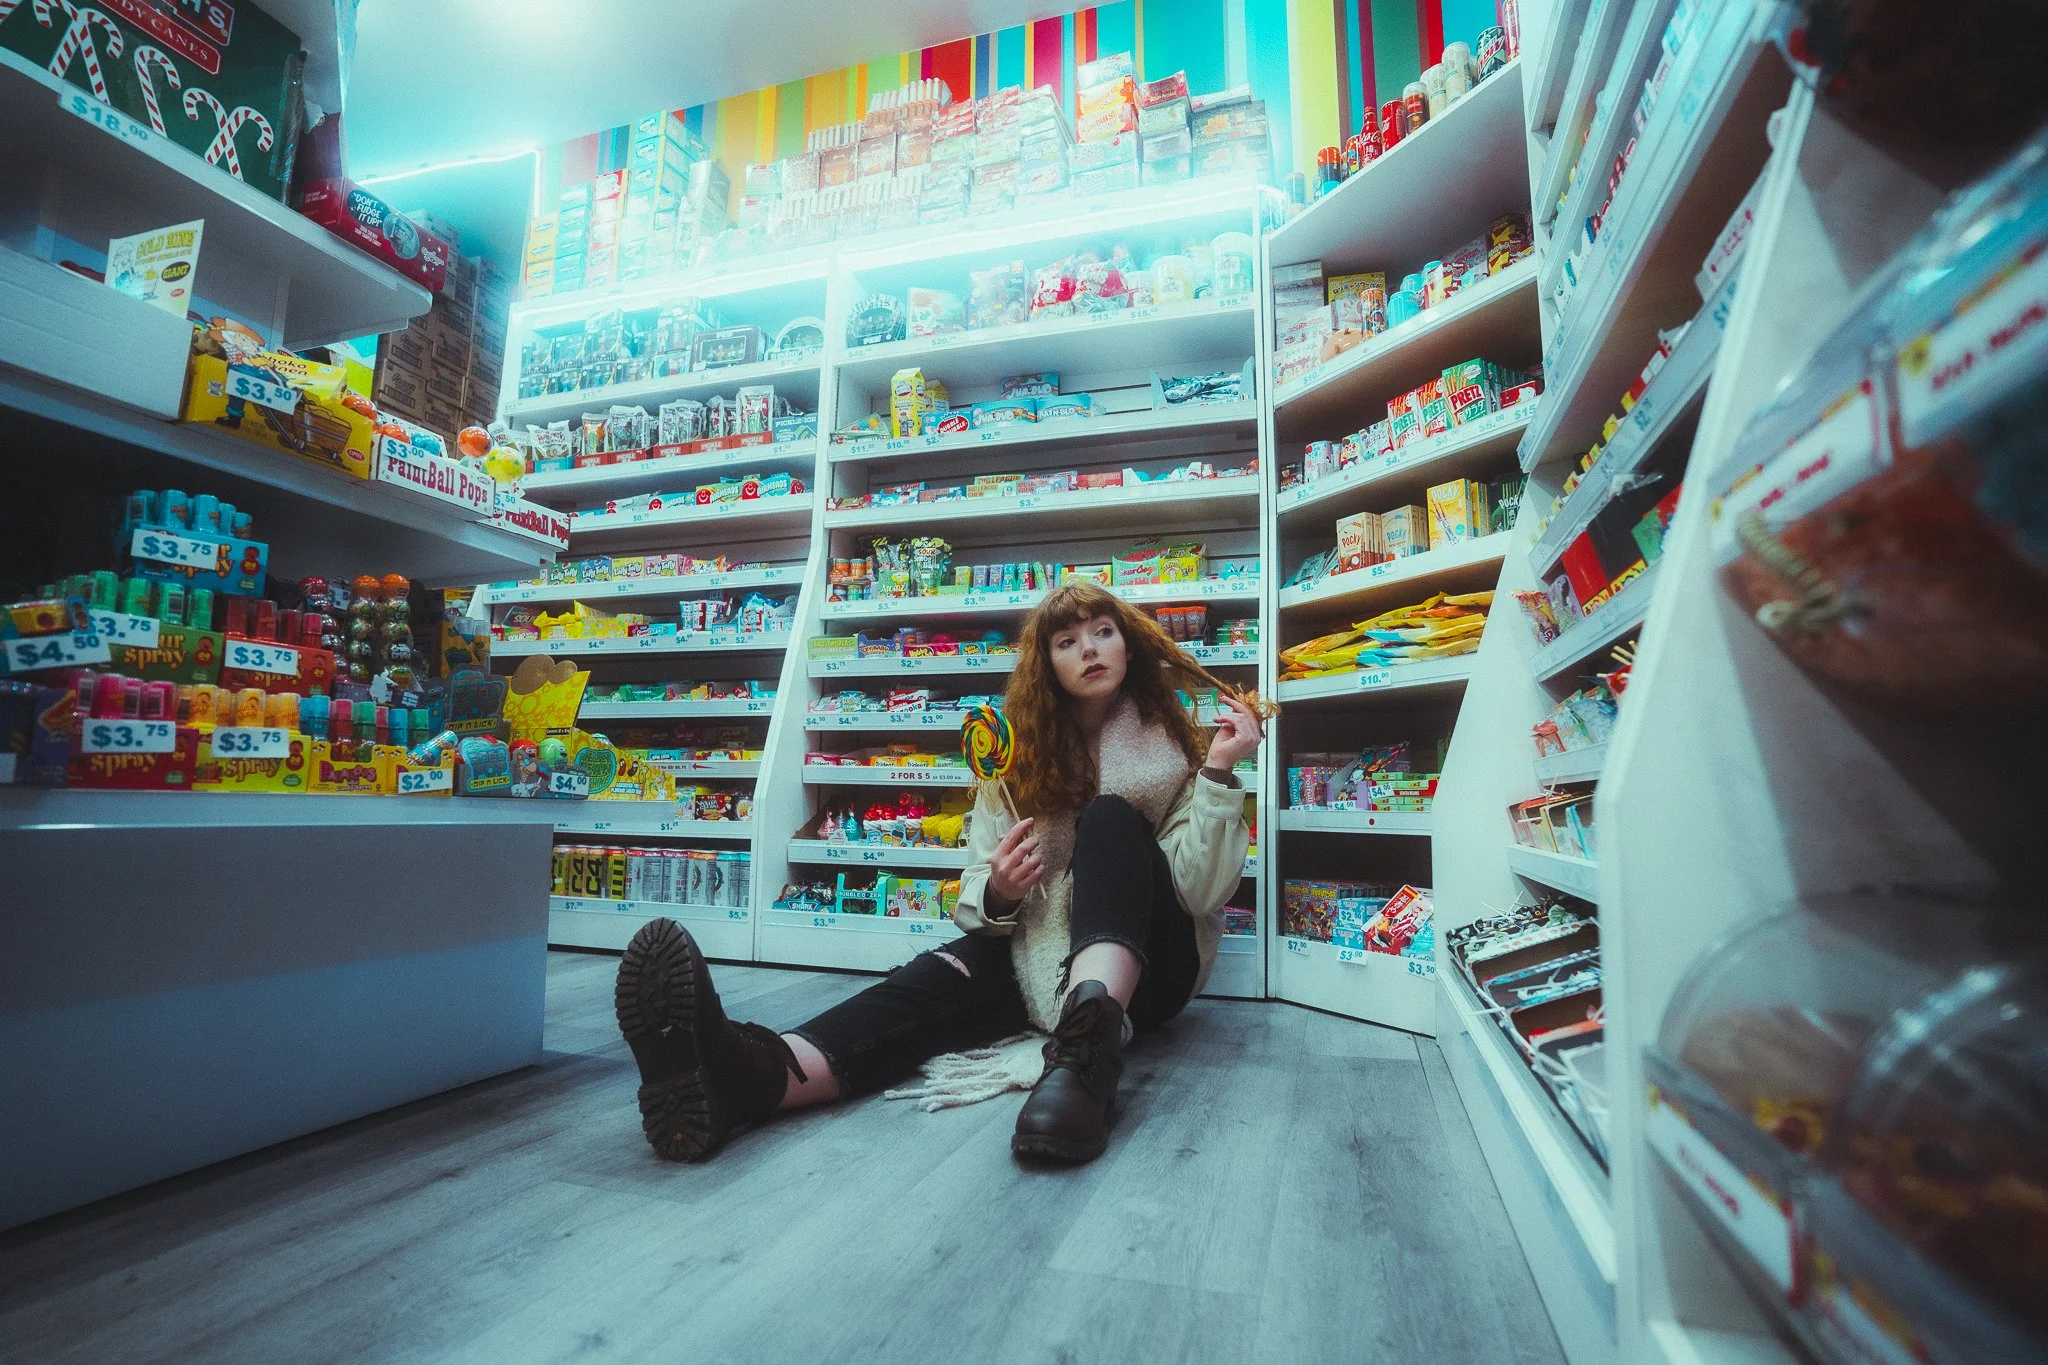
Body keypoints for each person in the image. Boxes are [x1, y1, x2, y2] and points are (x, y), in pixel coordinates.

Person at [613, 581, 1274, 1165]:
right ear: (1046, 663)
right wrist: (1002, 889)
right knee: (935, 979)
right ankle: (754, 1074)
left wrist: (1217, 773)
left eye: (1104, 632)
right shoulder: (1012, 760)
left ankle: (1084, 1061)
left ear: (1128, 645)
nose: (1091, 648)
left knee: (1109, 820)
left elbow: (1198, 890)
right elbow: (974, 891)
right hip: (1041, 946)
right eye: (1068, 640)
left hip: (1156, 972)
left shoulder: (1179, 747)